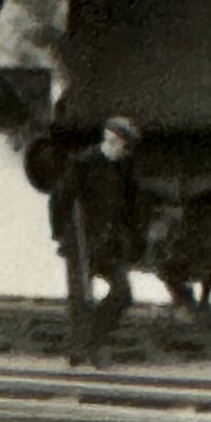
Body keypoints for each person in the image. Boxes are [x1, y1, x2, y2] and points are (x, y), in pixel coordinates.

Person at [50, 115, 143, 367]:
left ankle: (94, 339)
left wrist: (132, 238)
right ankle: (79, 353)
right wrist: (61, 234)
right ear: (109, 140)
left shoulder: (124, 167)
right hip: (80, 242)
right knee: (81, 301)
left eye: (126, 148)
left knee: (122, 294)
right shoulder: (82, 164)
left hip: (109, 244)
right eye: (122, 146)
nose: (123, 152)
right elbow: (60, 201)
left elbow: (131, 206)